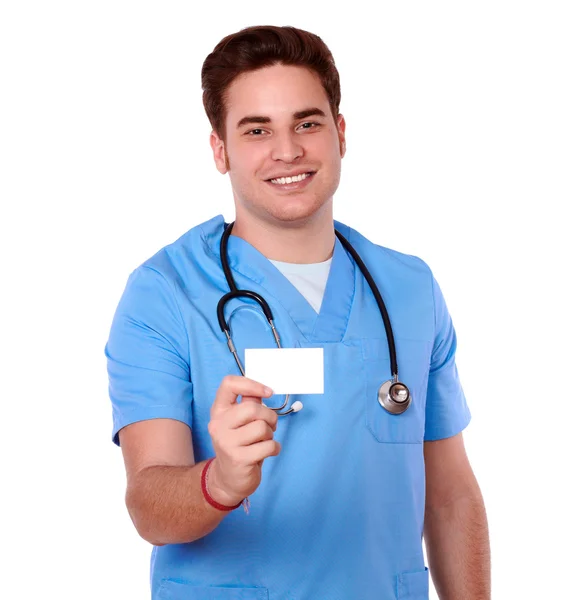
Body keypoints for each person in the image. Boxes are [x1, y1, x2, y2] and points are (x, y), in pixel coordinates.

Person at [105, 25, 491, 600]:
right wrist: (222, 480)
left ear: (339, 132)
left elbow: (450, 491)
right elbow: (150, 508)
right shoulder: (164, 294)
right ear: (220, 150)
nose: (287, 151)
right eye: (256, 130)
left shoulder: (409, 289)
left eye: (307, 123)